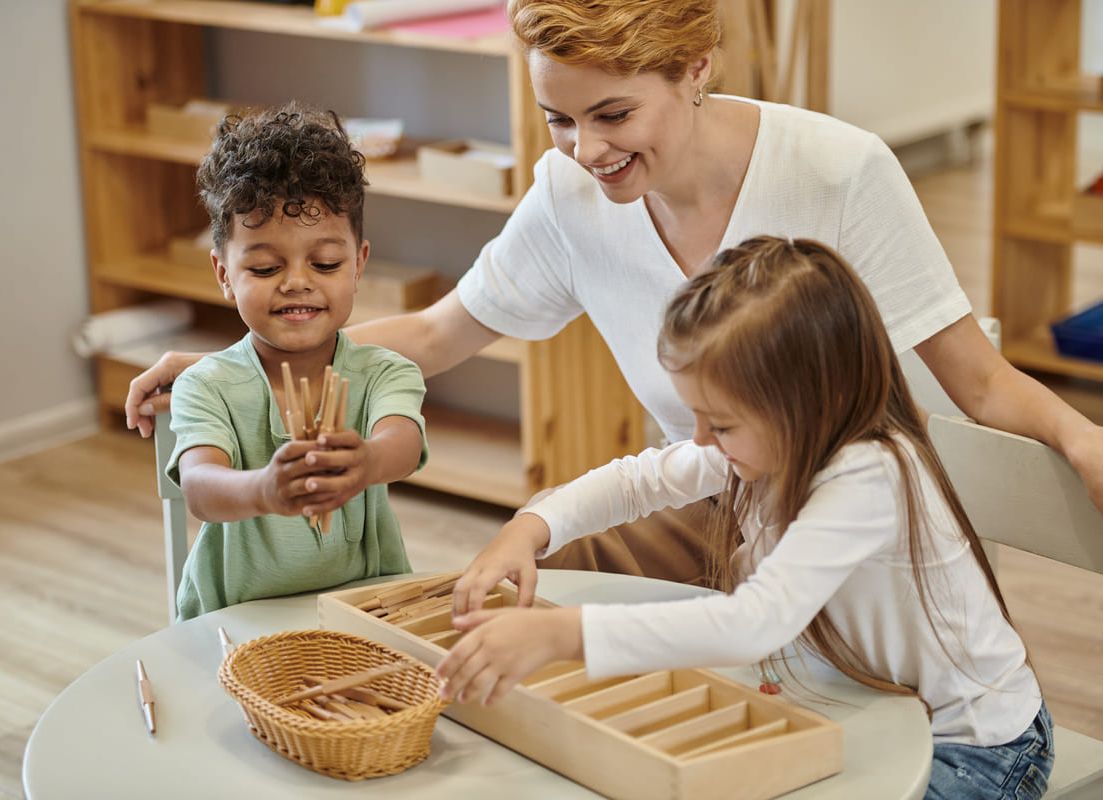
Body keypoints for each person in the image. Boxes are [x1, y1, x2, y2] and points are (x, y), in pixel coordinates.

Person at [126, 0, 1103, 586]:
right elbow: (435, 330)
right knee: (516, 612)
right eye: (558, 117)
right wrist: (234, 362)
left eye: (613, 113)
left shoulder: (839, 171)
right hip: (707, 497)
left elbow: (974, 382)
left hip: (856, 523)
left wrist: (1080, 435)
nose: (586, 151)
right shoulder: (571, 191)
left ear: (696, 67)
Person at [436, 236, 1055, 800]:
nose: (701, 439)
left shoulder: (869, 474)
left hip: (978, 750)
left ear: (810, 402)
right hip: (868, 707)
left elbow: (752, 623)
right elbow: (637, 480)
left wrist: (560, 634)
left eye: (721, 422)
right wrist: (529, 528)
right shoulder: (764, 446)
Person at [166, 103, 427, 621]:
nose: (296, 282)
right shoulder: (207, 385)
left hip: (364, 612)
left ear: (359, 265)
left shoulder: (383, 372)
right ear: (223, 273)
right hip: (238, 619)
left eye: (325, 263)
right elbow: (201, 489)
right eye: (264, 267)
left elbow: (403, 444)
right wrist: (264, 489)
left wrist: (366, 463)